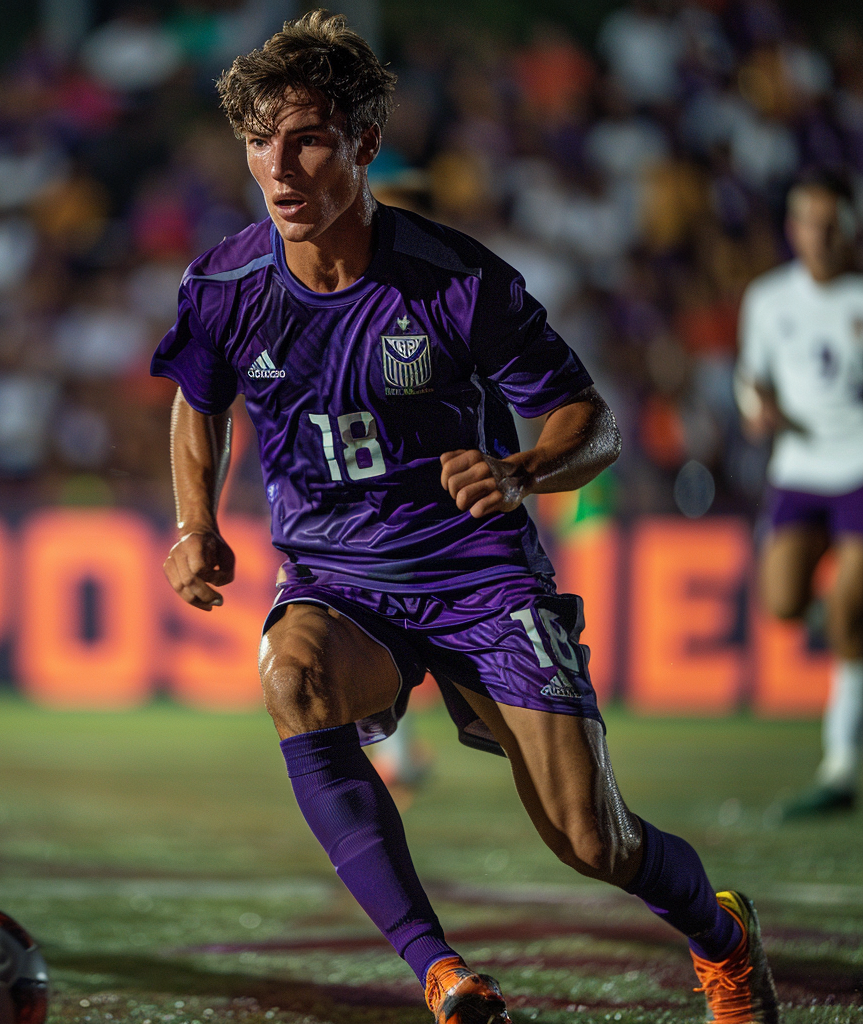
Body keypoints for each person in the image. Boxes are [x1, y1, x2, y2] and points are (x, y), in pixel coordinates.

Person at [152, 12, 780, 1024]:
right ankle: (438, 970)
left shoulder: (457, 281)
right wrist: (195, 525)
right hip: (339, 582)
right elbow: (198, 397)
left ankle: (723, 935)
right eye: (259, 139)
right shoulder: (224, 284)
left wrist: (523, 467)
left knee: (589, 838)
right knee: (292, 676)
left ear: (362, 143)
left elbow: (593, 421)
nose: (279, 166)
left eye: (307, 137)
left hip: (479, 579)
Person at [736, 170, 863, 820]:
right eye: (811, 221)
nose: (822, 234)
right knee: (783, 602)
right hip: (799, 467)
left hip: (860, 466)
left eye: (832, 221)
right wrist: (756, 409)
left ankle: (840, 763)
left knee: (849, 617)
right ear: (794, 228)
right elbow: (750, 377)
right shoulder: (768, 298)